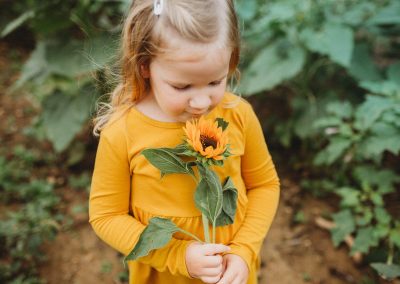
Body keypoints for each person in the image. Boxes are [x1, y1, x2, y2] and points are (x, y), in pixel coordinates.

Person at [89, 0, 280, 283]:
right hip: (163, 274)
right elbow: (106, 216)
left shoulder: (238, 115)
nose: (202, 102)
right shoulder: (123, 131)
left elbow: (264, 185)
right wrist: (177, 254)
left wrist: (243, 250)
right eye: (182, 86)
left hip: (230, 272)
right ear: (145, 67)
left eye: (216, 82)